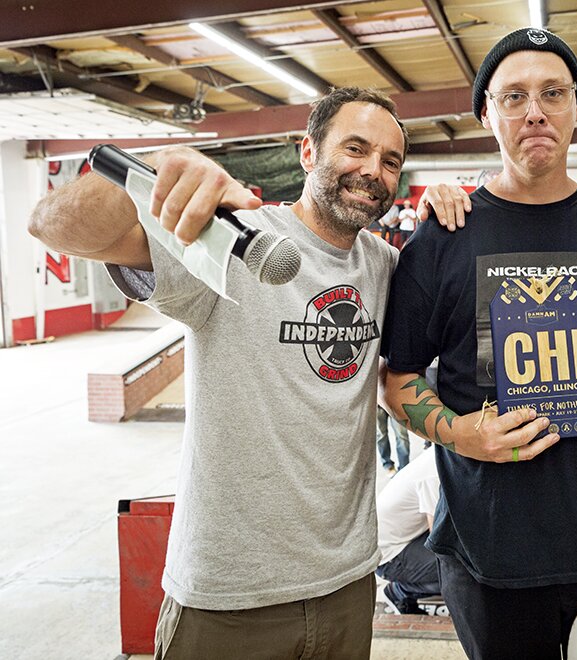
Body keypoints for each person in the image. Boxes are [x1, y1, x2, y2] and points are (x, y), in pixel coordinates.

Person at [28, 87, 449, 659]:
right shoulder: (231, 240)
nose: (373, 170)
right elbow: (53, 227)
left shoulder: (385, 266)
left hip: (347, 583)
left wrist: (449, 206)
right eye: (355, 148)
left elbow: (399, 375)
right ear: (308, 152)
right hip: (228, 596)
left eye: (390, 160)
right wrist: (158, 165)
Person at [380, 27, 577, 660]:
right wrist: (458, 433)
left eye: (553, 93)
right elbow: (397, 379)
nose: (535, 111)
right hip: (488, 562)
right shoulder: (440, 239)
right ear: (485, 114)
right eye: (513, 96)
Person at [375, 449, 442, 614]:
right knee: (461, 570)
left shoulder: (440, 455)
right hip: (390, 558)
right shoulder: (433, 475)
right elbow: (438, 538)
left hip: (405, 538)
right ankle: (400, 592)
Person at [376, 405, 411, 473]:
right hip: (377, 404)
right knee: (381, 436)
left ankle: (404, 467)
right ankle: (387, 465)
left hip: (395, 403)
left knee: (402, 435)